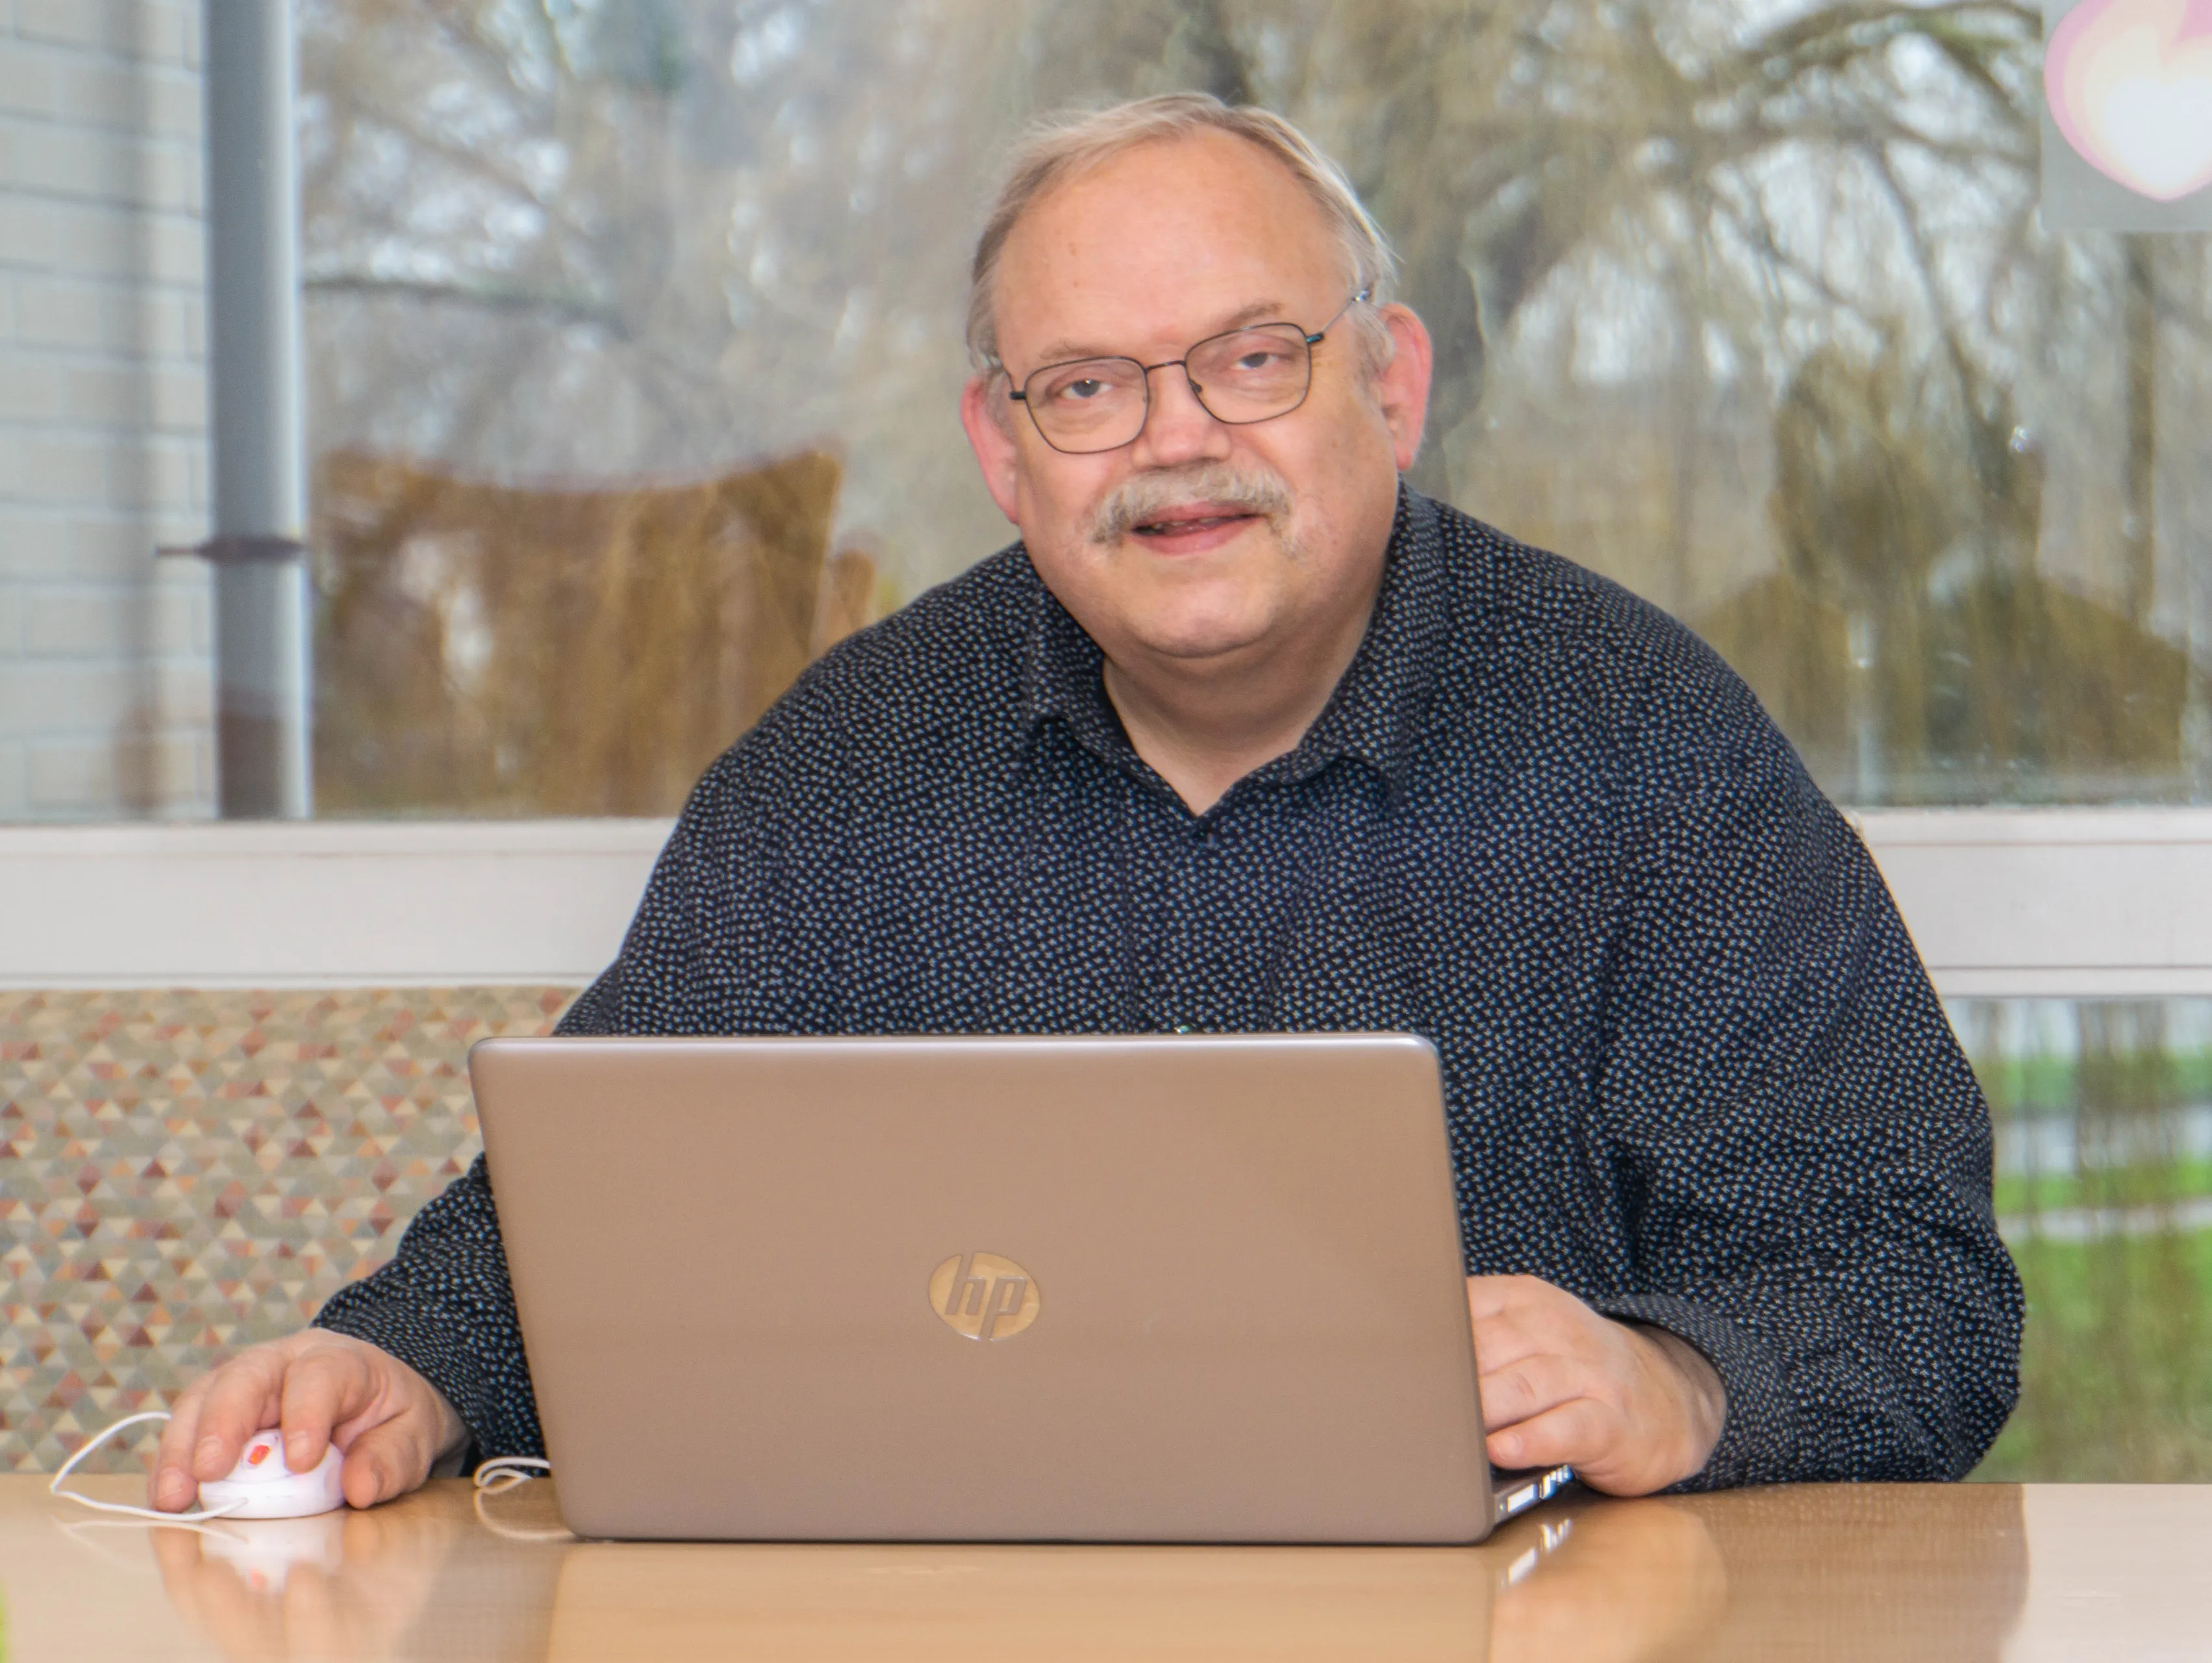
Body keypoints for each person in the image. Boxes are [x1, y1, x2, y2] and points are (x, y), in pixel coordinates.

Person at [153, 93, 2021, 1515]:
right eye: (1085, 386)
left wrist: (1677, 1385)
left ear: (1390, 383)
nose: (1177, 437)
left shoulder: (1640, 743)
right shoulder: (845, 767)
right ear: (1001, 451)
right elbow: (611, 1199)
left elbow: (1913, 1284)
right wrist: (395, 1363)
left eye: (1251, 357)